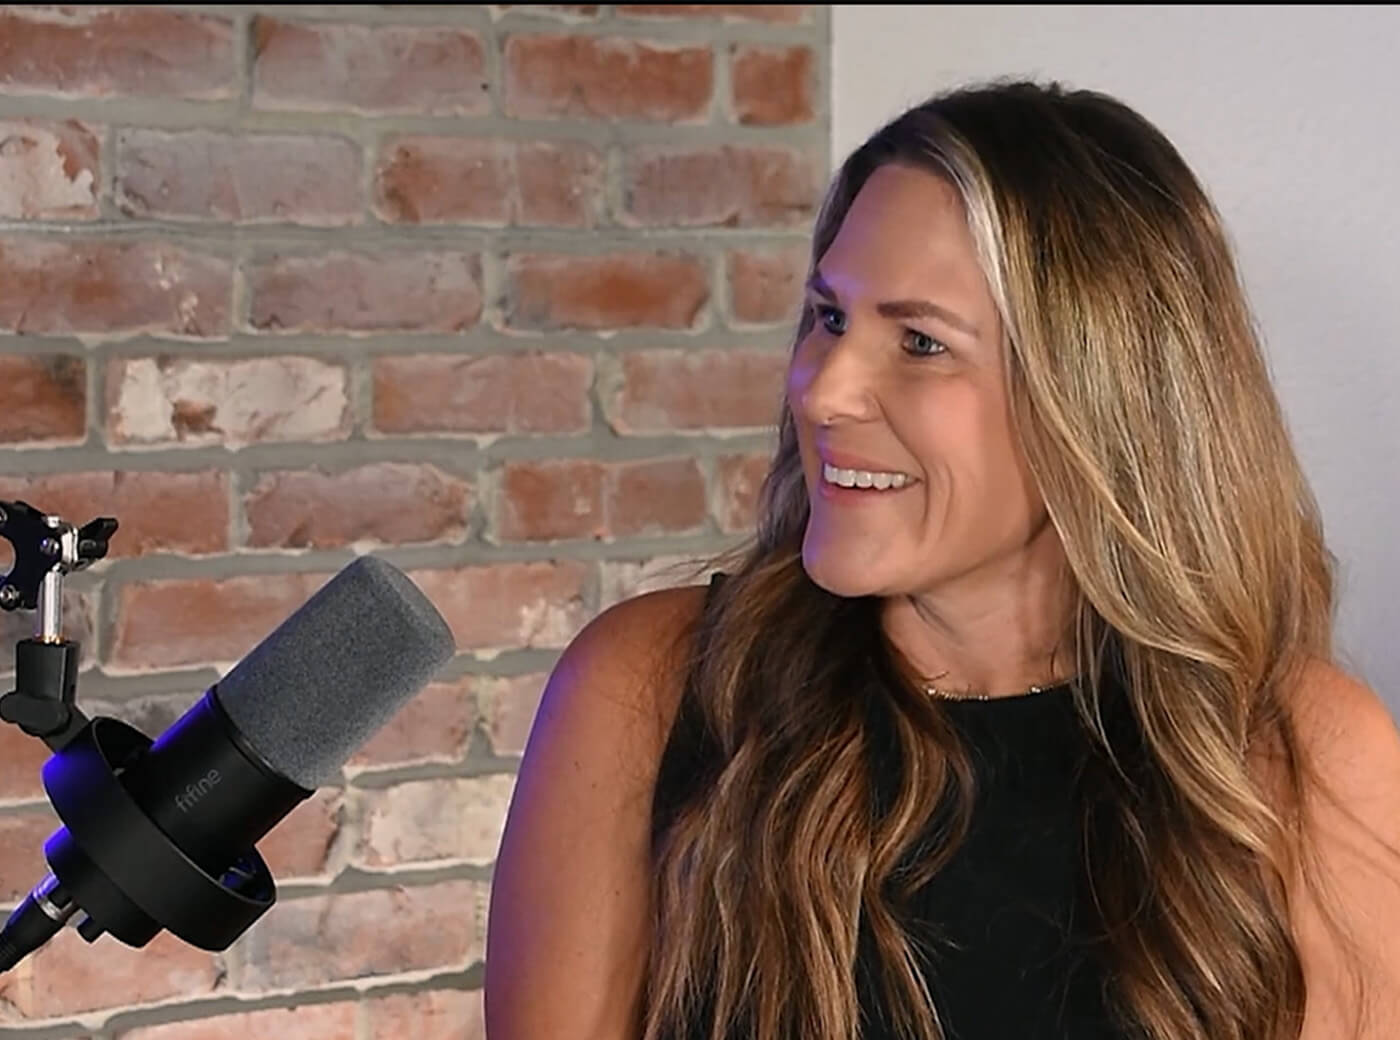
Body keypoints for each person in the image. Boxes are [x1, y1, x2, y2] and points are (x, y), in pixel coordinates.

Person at [482, 80, 1400, 1040]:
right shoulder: (652, 687)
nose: (824, 389)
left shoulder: (1302, 752)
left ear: (1098, 403)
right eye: (830, 317)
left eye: (920, 342)